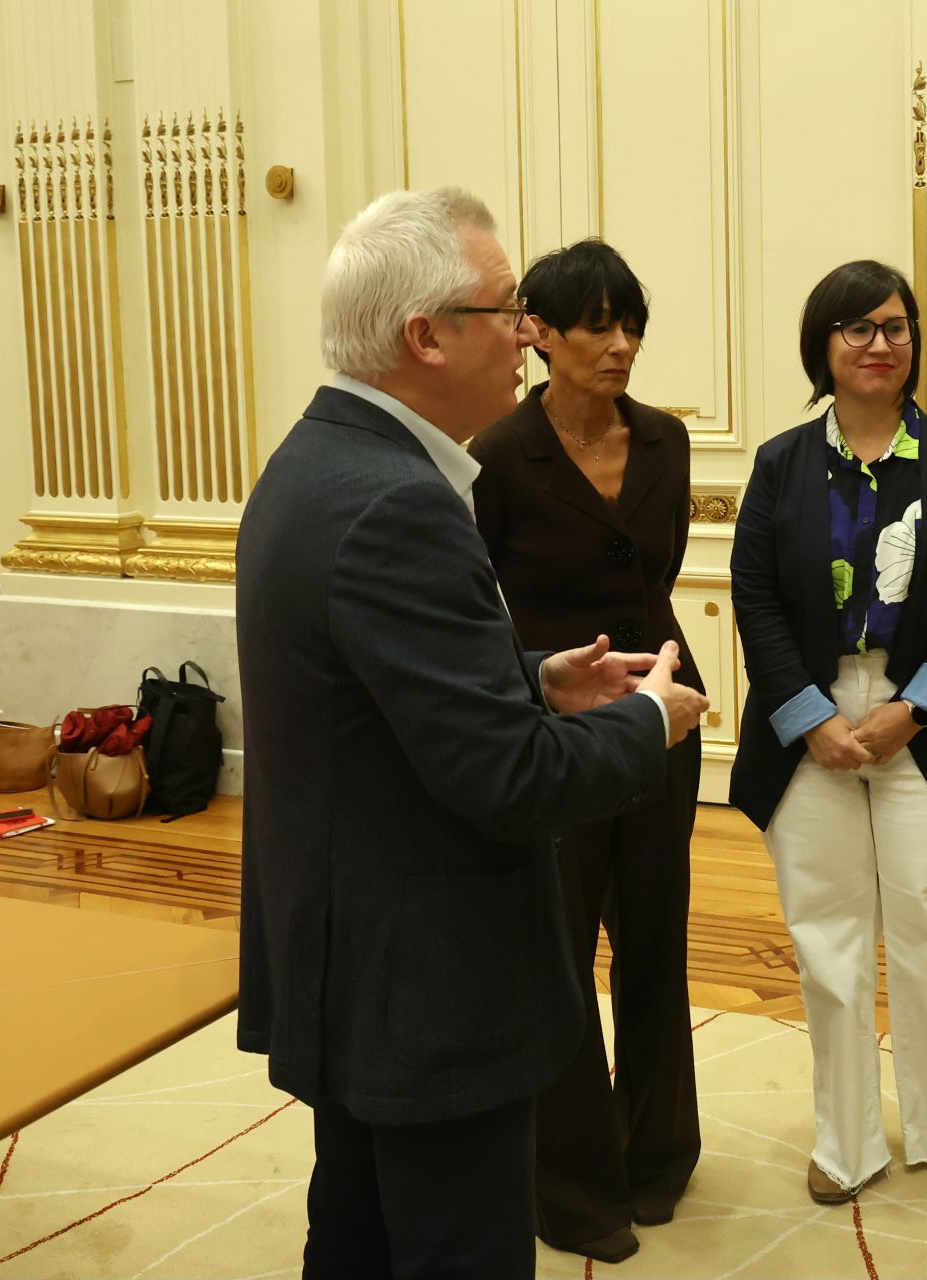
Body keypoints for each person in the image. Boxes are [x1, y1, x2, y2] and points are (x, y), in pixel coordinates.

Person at [235, 187, 707, 1280]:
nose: (527, 335)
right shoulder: (401, 502)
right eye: (509, 309)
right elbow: (505, 777)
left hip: (354, 963)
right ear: (425, 334)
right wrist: (649, 721)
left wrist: (537, 676)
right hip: (429, 989)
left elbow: (384, 689)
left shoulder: (315, 460)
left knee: (355, 1237)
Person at [728, 260, 927, 1206]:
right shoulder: (778, 463)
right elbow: (756, 600)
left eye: (895, 326)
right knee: (829, 942)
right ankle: (845, 1140)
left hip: (922, 719)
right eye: (856, 328)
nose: (878, 343)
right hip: (806, 722)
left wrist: (910, 711)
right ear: (824, 344)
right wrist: (812, 720)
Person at [468, 239, 702, 1265]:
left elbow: (659, 572)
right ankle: (569, 1184)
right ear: (539, 333)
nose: (621, 344)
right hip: (556, 731)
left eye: (631, 322)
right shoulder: (493, 454)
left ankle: (656, 1154)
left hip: (660, 717)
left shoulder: (665, 441)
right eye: (597, 324)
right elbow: (480, 603)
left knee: (655, 939)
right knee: (558, 955)